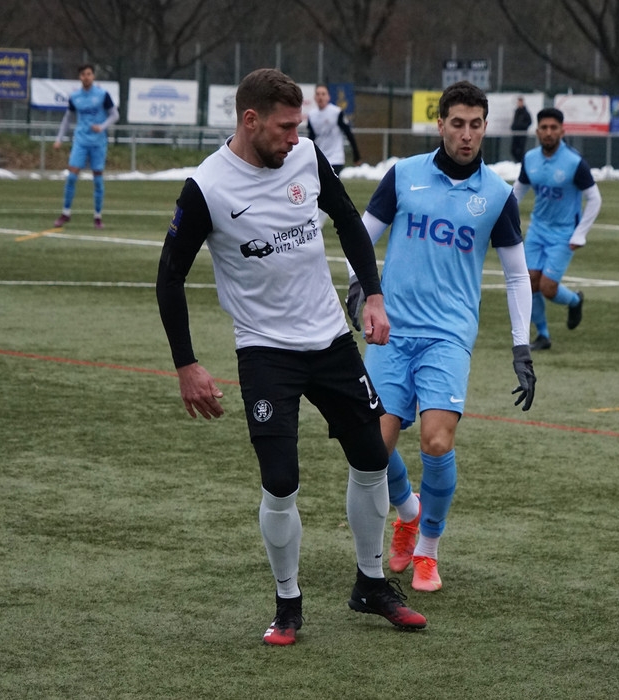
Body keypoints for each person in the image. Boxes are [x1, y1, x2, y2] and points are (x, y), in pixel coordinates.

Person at [155, 68, 427, 646]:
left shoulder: (305, 156)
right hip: (265, 352)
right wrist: (187, 364)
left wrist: (373, 294)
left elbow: (347, 217)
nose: (293, 137)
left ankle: (371, 584)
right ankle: (288, 603)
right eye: (283, 127)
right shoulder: (207, 187)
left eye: (297, 126)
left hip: (331, 340)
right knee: (280, 482)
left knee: (372, 458)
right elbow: (169, 276)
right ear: (250, 120)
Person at [345, 80, 535, 593]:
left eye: (476, 125)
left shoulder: (497, 195)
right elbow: (361, 234)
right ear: (441, 125)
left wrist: (521, 346)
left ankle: (427, 547)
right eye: (457, 124)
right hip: (391, 332)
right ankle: (408, 512)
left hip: (448, 336)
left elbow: (517, 276)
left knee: (436, 439)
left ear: (485, 127)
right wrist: (359, 284)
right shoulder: (404, 175)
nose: (467, 135)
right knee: (372, 447)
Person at [512, 107, 600, 350]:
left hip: (564, 234)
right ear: (537, 131)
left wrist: (580, 234)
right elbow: (517, 192)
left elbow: (594, 199)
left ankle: (574, 301)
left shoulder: (574, 162)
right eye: (544, 128)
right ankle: (543, 335)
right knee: (529, 283)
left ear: (562, 131)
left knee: (548, 288)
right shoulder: (530, 159)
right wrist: (502, 219)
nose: (548, 132)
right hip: (537, 230)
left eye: (553, 128)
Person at [52, 64, 119, 229]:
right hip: (81, 141)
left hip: (98, 143)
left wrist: (102, 127)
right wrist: (59, 138)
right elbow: (68, 119)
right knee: (71, 177)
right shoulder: (75, 97)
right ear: (80, 77)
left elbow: (115, 115)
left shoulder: (102, 95)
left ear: (93, 76)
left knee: (98, 180)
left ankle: (97, 216)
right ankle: (65, 213)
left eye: (89, 74)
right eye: (83, 74)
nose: (86, 77)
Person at [306, 84, 362, 175]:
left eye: (323, 94)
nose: (320, 97)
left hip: (335, 158)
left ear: (328, 97)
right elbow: (311, 137)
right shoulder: (312, 115)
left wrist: (356, 155)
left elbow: (348, 133)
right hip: (320, 157)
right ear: (315, 97)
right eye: (318, 94)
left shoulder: (336, 113)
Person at [510, 96, 532, 163]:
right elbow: (515, 121)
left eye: (520, 102)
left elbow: (529, 122)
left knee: (520, 149)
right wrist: (513, 127)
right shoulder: (517, 111)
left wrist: (522, 127)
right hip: (516, 133)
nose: (519, 104)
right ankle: (518, 161)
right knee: (513, 149)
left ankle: (520, 162)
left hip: (522, 134)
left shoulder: (525, 112)